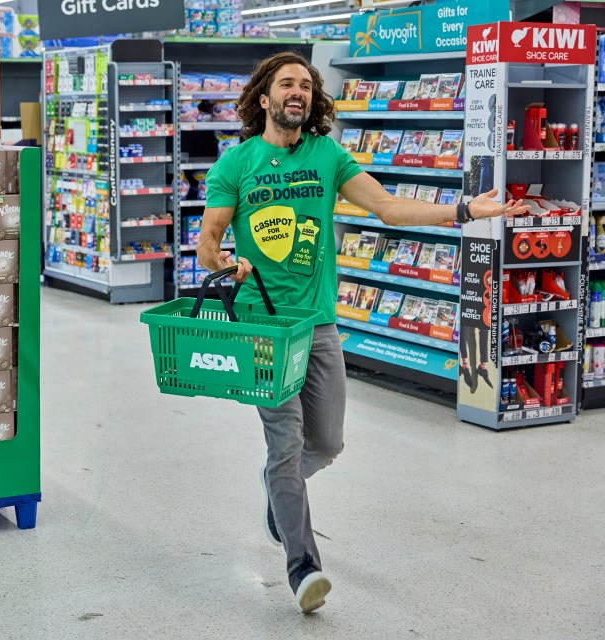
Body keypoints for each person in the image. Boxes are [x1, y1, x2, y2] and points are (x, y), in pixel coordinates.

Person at [197, 51, 528, 614]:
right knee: (286, 445)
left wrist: (465, 211)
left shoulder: (327, 155)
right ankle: (303, 566)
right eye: (286, 84)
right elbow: (208, 240)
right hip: (261, 323)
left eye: (305, 84)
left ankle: (279, 494)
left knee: (325, 444)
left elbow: (388, 208)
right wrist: (227, 264)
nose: (297, 92)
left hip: (319, 322)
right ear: (264, 97)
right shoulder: (236, 164)